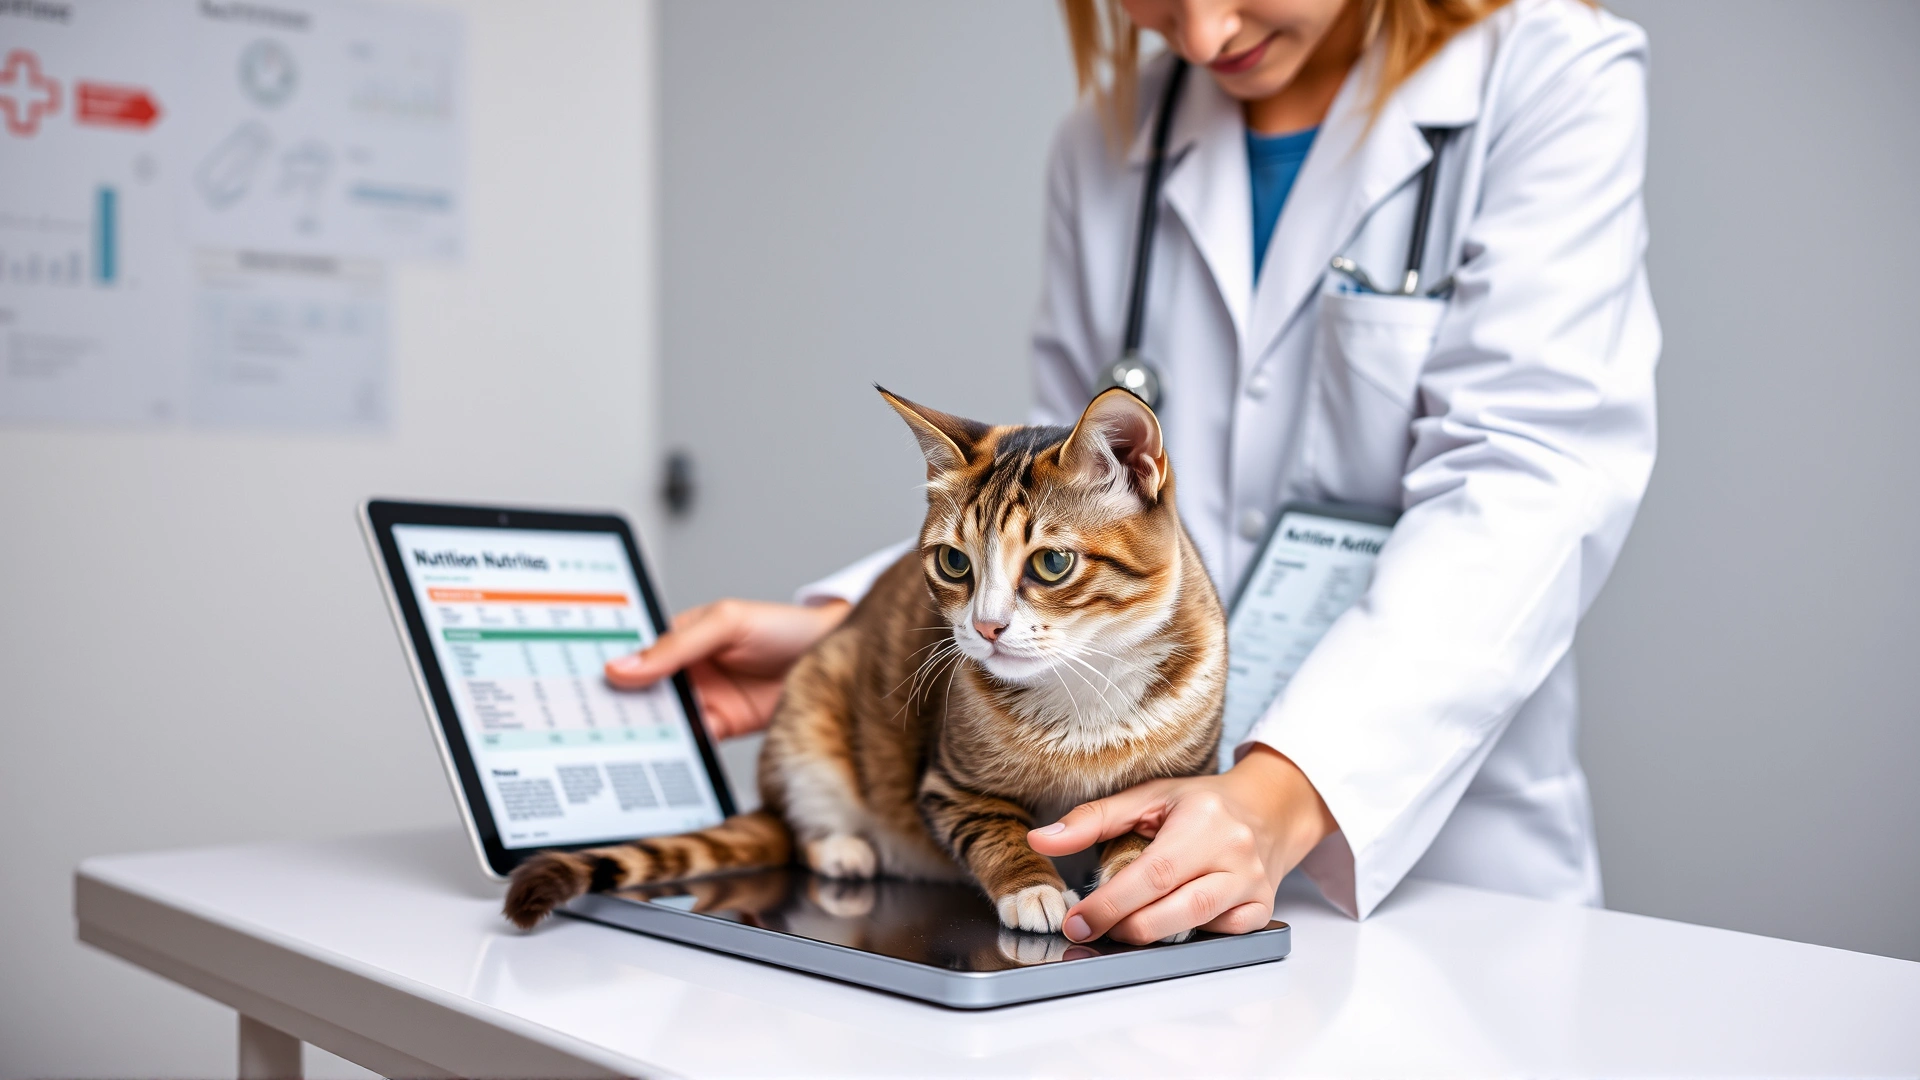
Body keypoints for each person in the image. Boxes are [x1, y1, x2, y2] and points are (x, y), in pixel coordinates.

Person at [609, 0, 1657, 945]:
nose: (1203, 35)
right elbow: (1046, 488)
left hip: (1430, 860)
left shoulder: (1550, 76)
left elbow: (1527, 486)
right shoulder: (1108, 142)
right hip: (1116, 854)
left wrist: (1282, 793)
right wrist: (848, 625)